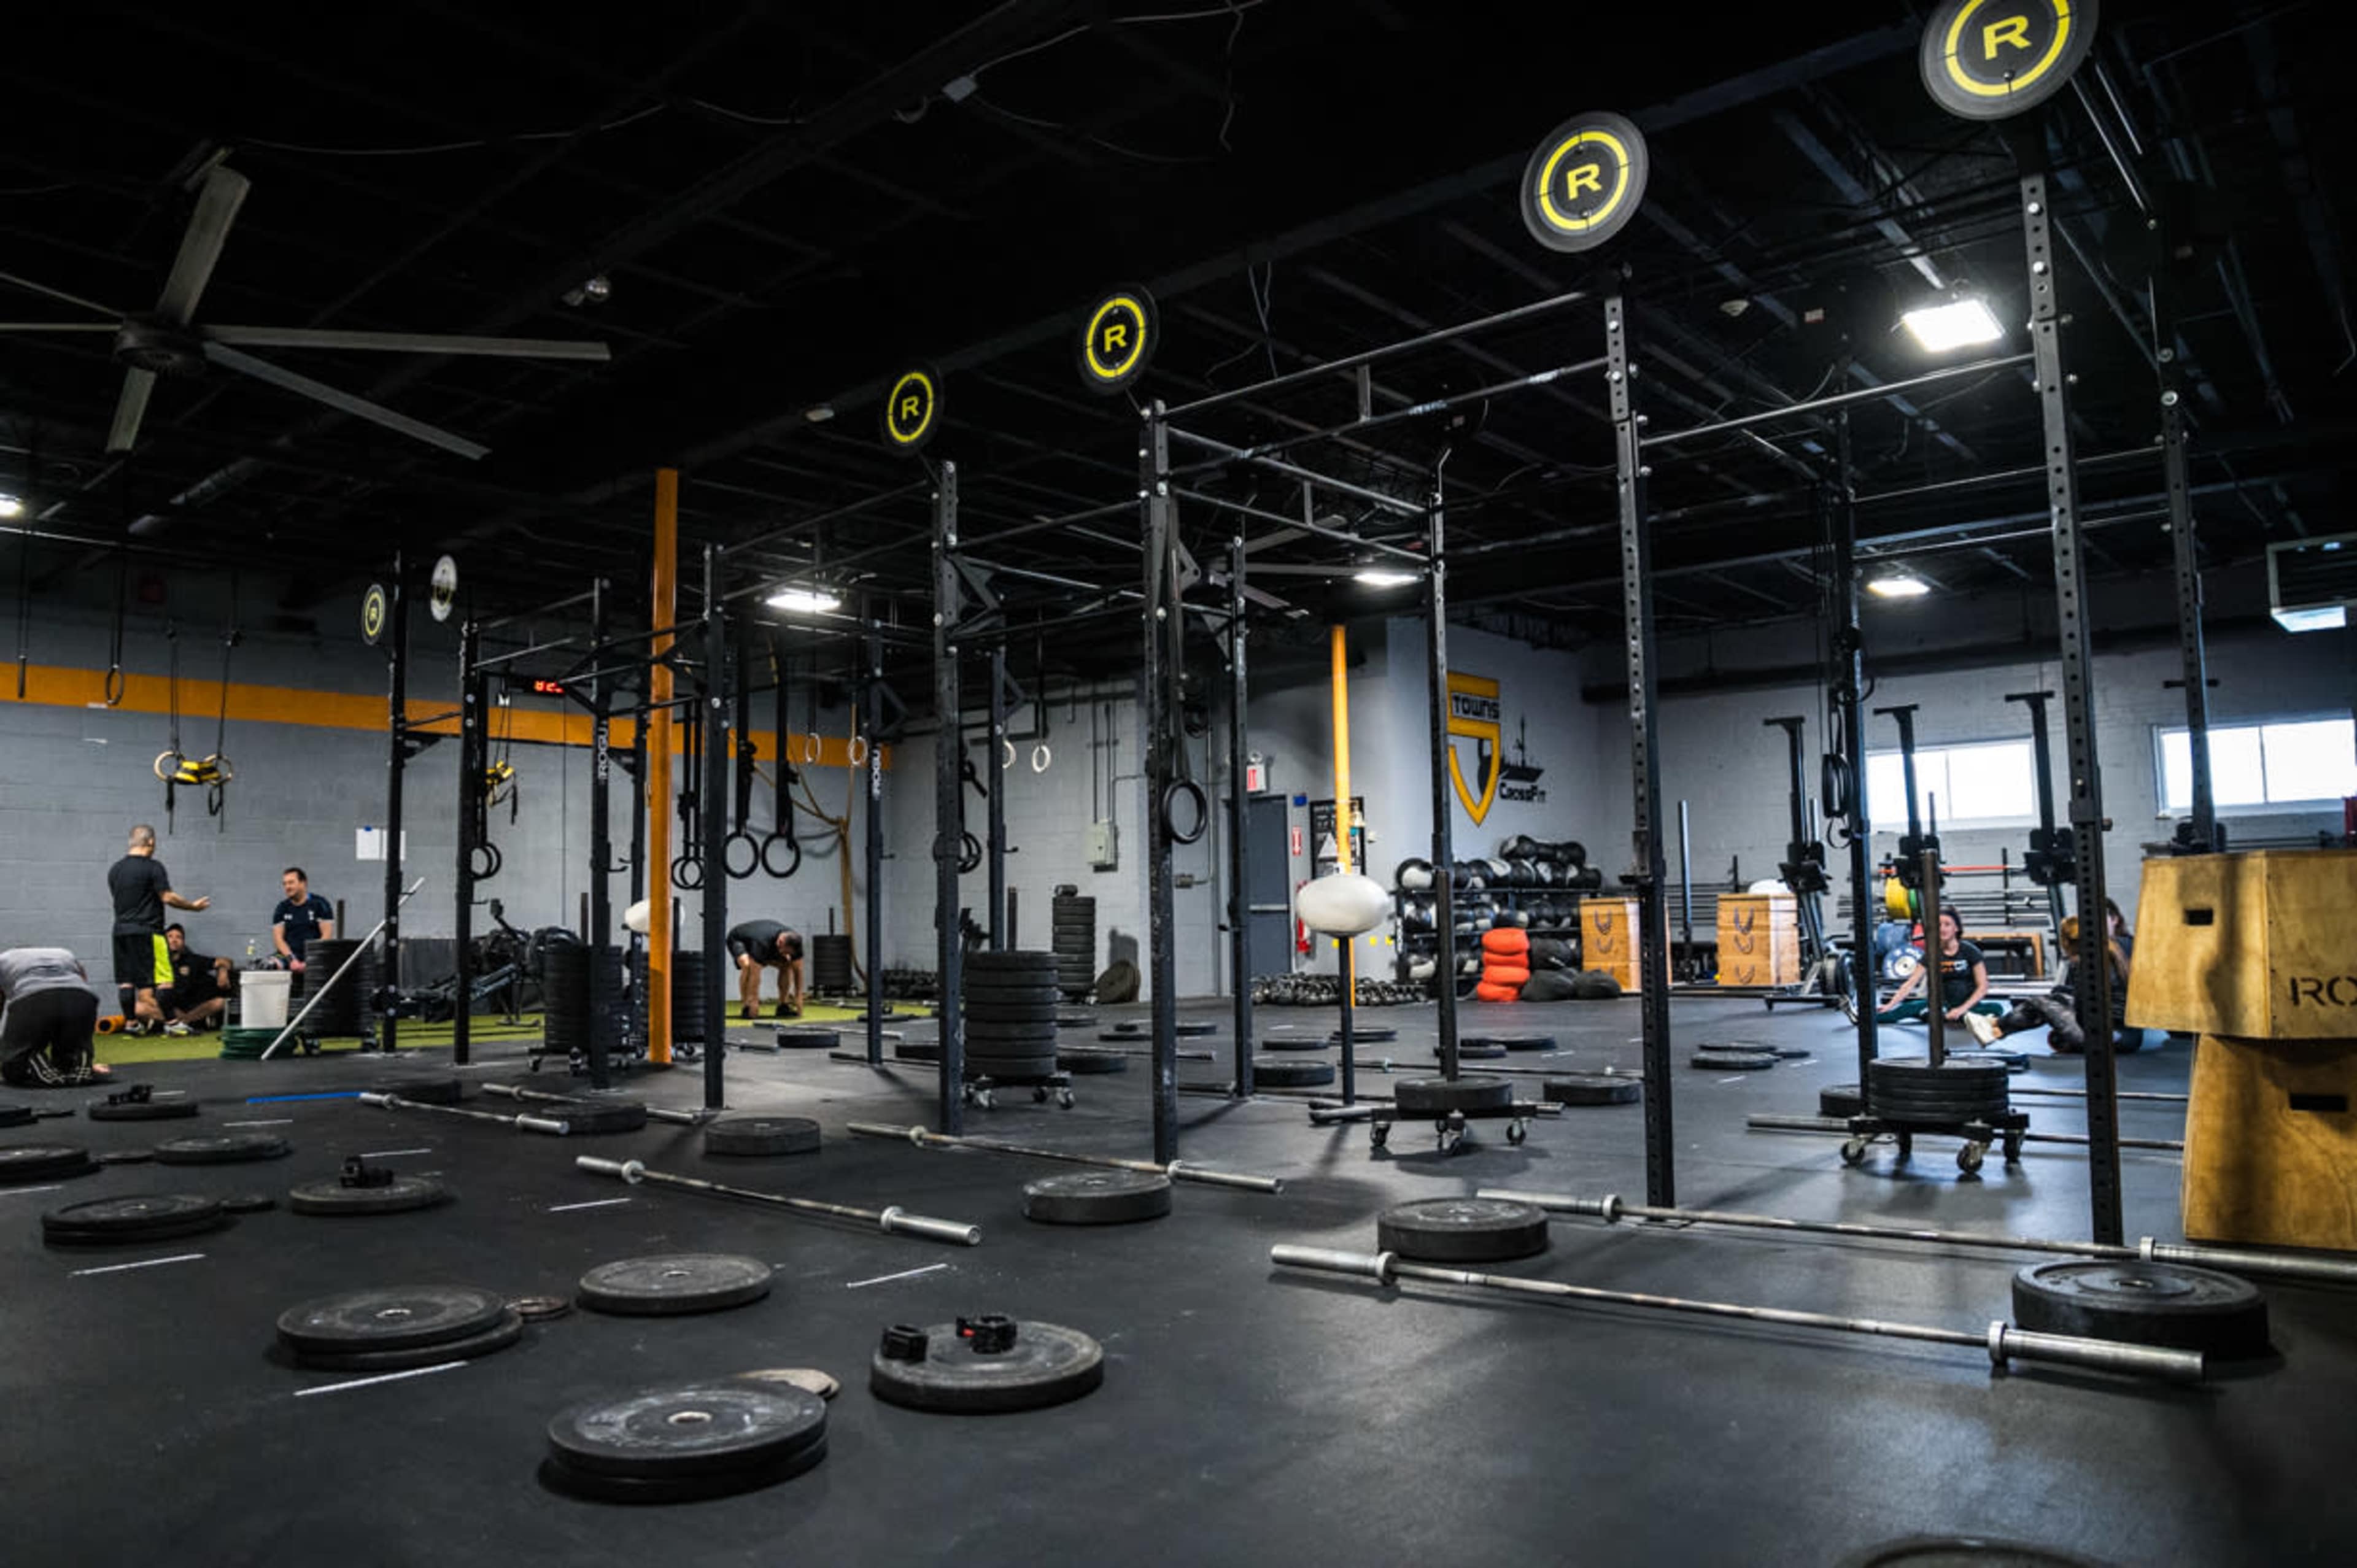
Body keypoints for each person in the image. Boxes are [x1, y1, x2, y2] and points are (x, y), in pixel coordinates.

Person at [107, 822, 210, 1035]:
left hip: (121, 932)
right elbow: (168, 897)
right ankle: (172, 1024)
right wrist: (193, 907)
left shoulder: (115, 870)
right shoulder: (154, 867)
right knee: (164, 979)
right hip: (148, 932)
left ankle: (131, 1024)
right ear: (151, 842)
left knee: (126, 981)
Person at [1989, 912, 2136, 1054]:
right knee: (2058, 997)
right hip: (2130, 1038)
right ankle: (1998, 1028)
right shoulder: (2114, 951)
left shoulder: (2083, 962)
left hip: (2103, 1039)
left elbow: (2082, 1011)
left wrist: (2058, 1011)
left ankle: (1998, 1026)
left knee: (2040, 1002)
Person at [1876, 905, 2004, 1029]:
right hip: (1940, 1005)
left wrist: (1961, 1010)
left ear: (1956, 928)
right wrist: (1890, 1005)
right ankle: (1865, 1018)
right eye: (1939, 925)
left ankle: (1943, 1016)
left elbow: (1983, 987)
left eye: (1947, 925)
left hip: (1968, 1005)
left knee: (1997, 1009)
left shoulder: (1970, 951)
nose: (1943, 929)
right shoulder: (1932, 954)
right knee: (1903, 1010)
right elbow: (1910, 983)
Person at [0, 946, 109, 1087]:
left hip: (35, 998)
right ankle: (79, 1060)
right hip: (82, 997)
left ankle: (31, 1058)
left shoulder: (4, 959)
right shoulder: (64, 953)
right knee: (65, 1063)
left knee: (13, 1068)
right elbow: (83, 980)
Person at [159, 924, 233, 1035]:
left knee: (220, 1002)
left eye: (178, 937)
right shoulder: (157, 962)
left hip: (193, 1008)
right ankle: (176, 1023)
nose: (174, 940)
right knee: (140, 1008)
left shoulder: (192, 960)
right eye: (170, 937)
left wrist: (223, 972)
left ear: (183, 943)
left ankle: (183, 1022)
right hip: (169, 1007)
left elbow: (226, 961)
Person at [726, 919, 805, 1020]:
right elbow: (755, 974)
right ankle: (746, 1005)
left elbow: (798, 971)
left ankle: (783, 1005)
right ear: (780, 943)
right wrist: (754, 1001)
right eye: (784, 952)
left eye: (788, 953)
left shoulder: (796, 943)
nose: (785, 955)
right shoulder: (761, 943)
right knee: (747, 965)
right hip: (739, 939)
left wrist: (798, 996)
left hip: (765, 940)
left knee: (786, 964)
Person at [271, 868, 336, 973]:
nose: (287, 887)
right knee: (268, 965)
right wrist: (292, 960)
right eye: (285, 884)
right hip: (289, 956)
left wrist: (310, 961)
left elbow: (326, 937)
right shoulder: (282, 908)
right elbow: (278, 939)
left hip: (314, 954)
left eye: (291, 883)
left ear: (303, 883)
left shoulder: (320, 904)